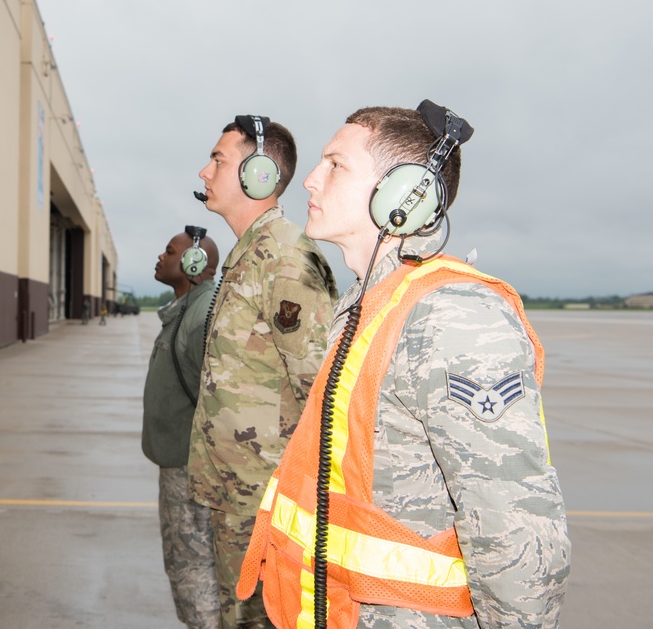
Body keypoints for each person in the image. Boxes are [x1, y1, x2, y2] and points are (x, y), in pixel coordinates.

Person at [238, 103, 571, 628]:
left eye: (335, 164)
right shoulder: (370, 303)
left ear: (406, 193)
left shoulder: (453, 314)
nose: (309, 180)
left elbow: (516, 526)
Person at [190, 115, 337, 629]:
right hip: (236, 494)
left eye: (219, 160)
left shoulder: (288, 259)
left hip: (267, 501)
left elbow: (321, 389)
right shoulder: (247, 254)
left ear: (258, 175)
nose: (205, 172)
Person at [142, 226, 223, 629]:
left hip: (191, 473)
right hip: (180, 466)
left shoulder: (201, 317)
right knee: (187, 565)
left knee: (193, 567)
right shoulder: (186, 311)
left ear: (194, 264)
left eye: (170, 251)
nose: (161, 256)